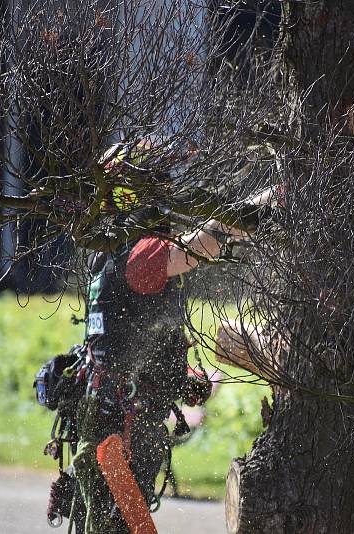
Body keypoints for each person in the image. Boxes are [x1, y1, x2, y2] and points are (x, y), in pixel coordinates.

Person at [58, 139, 273, 534]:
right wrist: (241, 214)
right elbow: (195, 249)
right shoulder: (140, 254)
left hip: (118, 418)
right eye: (159, 185)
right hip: (117, 432)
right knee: (120, 529)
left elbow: (137, 338)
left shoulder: (114, 249)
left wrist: (184, 377)